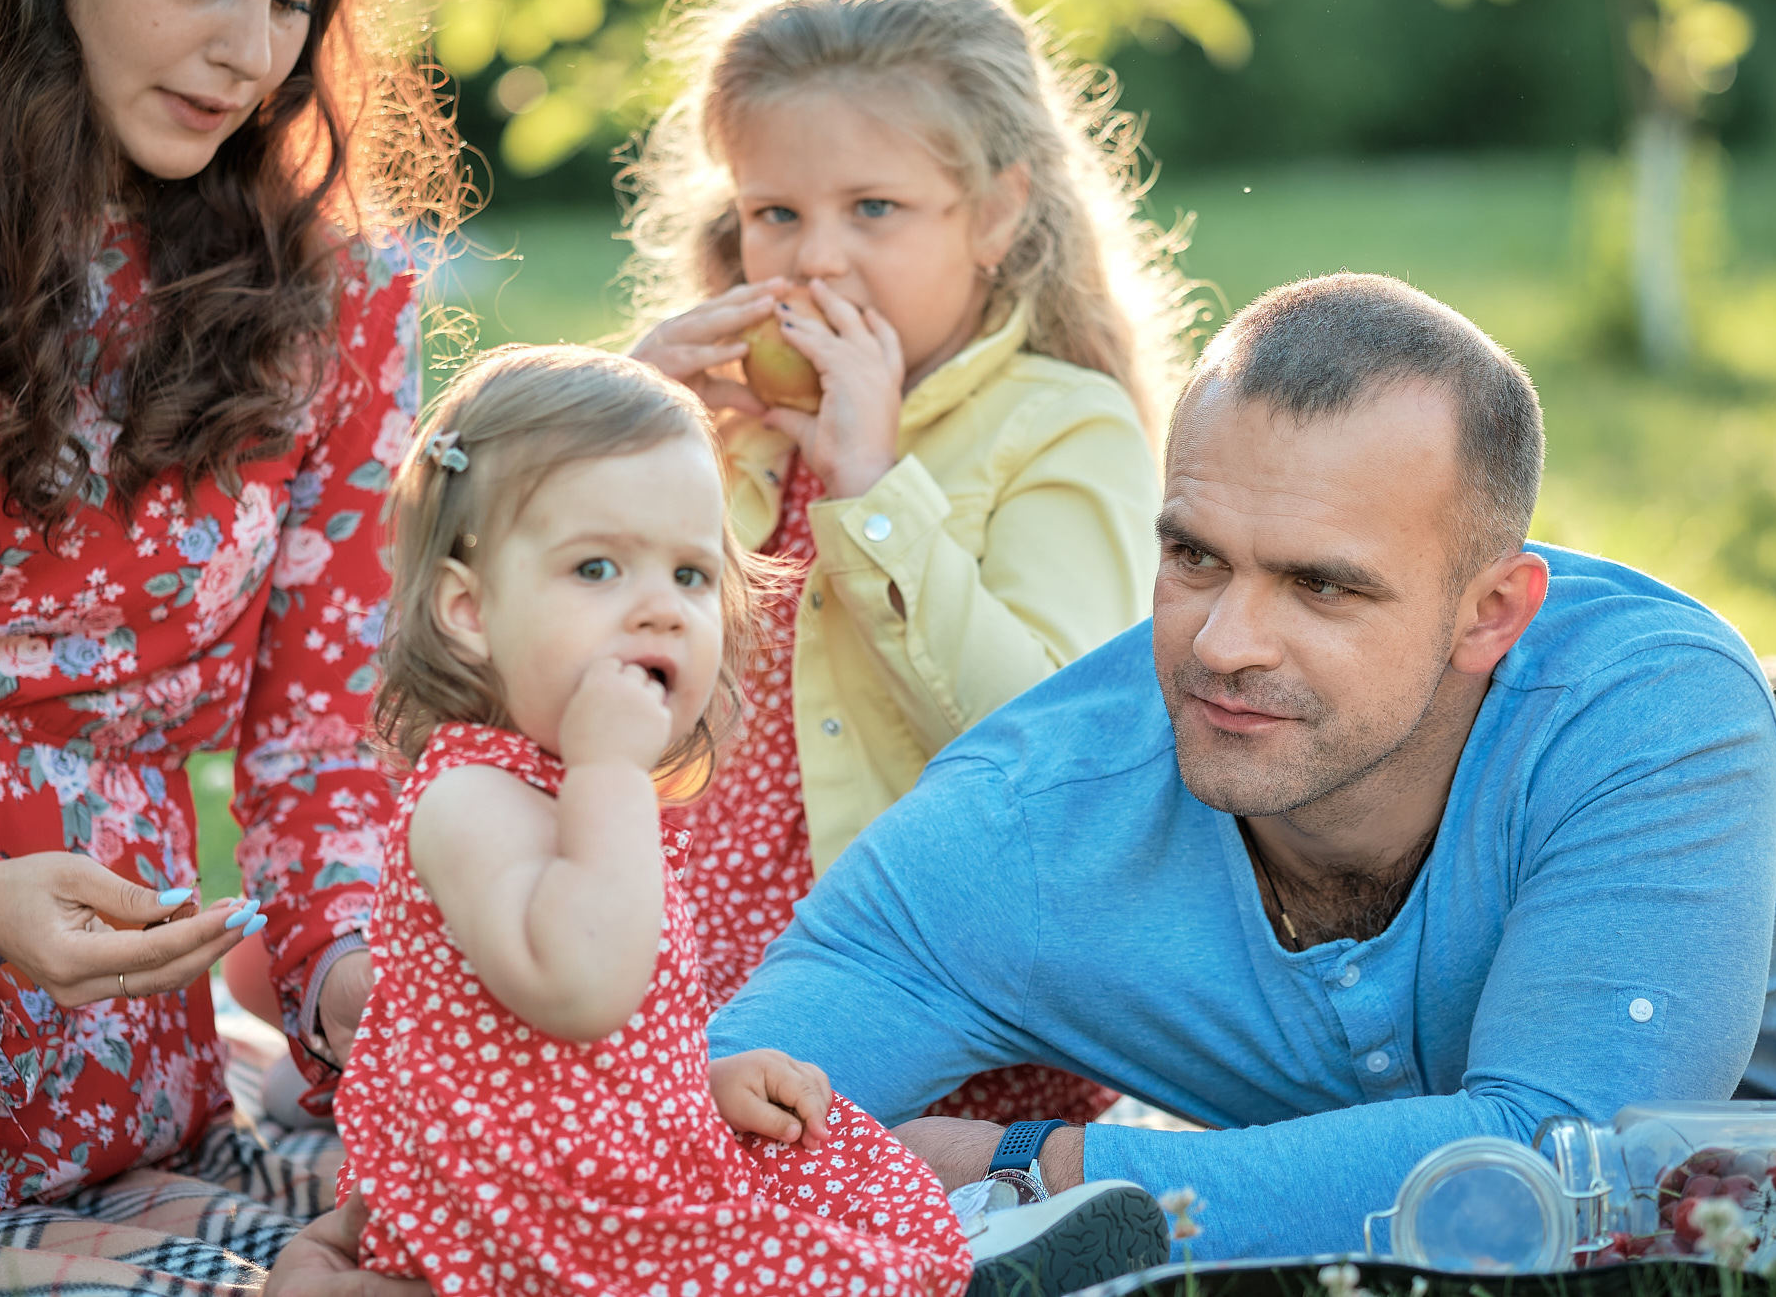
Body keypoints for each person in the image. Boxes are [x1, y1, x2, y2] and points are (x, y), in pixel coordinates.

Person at [708, 272, 1776, 1260]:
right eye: (1192, 558)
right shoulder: (1020, 824)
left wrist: (1038, 1169)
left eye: (1320, 584)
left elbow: (1579, 1164)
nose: (1224, 644)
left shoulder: (1651, 706)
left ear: (1490, 610)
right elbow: (685, 1126)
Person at [333, 343, 1166, 1296]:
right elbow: (578, 989)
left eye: (690, 575)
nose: (658, 609)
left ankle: (957, 1237)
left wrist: (696, 1086)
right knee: (759, 1256)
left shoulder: (574, 786)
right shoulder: (469, 799)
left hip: (602, 1153)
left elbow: (584, 1050)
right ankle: (940, 1274)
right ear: (470, 611)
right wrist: (610, 770)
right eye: (596, 567)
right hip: (525, 1207)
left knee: (825, 1159)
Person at [0, 0, 460, 1284]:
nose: (248, 52)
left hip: (105, 1098)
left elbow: (325, 747)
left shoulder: (337, 292)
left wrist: (348, 974)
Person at [625, 0, 1191, 1126]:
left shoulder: (1060, 426)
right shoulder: (726, 428)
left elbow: (1049, 750)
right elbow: (551, 674)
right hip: (675, 948)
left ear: (991, 215)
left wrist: (871, 485)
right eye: (774, 214)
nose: (813, 259)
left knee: (700, 1153)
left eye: (872, 208)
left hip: (921, 979)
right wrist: (624, 440)